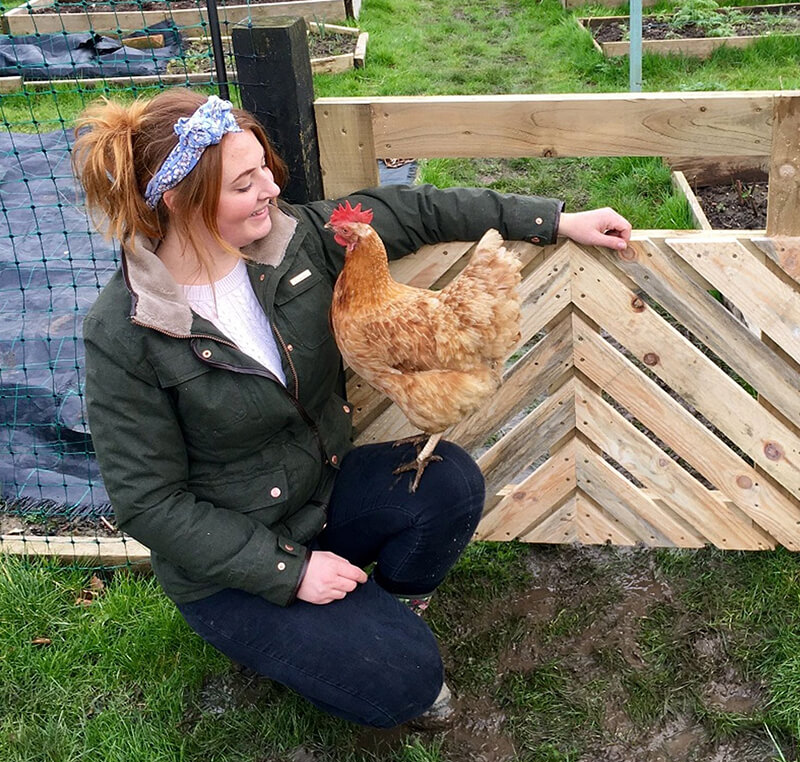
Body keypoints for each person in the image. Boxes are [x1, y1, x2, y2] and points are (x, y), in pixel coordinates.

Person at [72, 88, 632, 729]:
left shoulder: (294, 241)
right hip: (232, 559)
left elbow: (419, 208)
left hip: (320, 494)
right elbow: (148, 503)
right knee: (410, 682)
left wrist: (554, 219)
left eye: (266, 170)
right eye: (244, 183)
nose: (270, 191)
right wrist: (289, 571)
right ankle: (324, 634)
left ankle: (375, 615)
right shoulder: (126, 330)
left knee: (448, 481)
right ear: (178, 200)